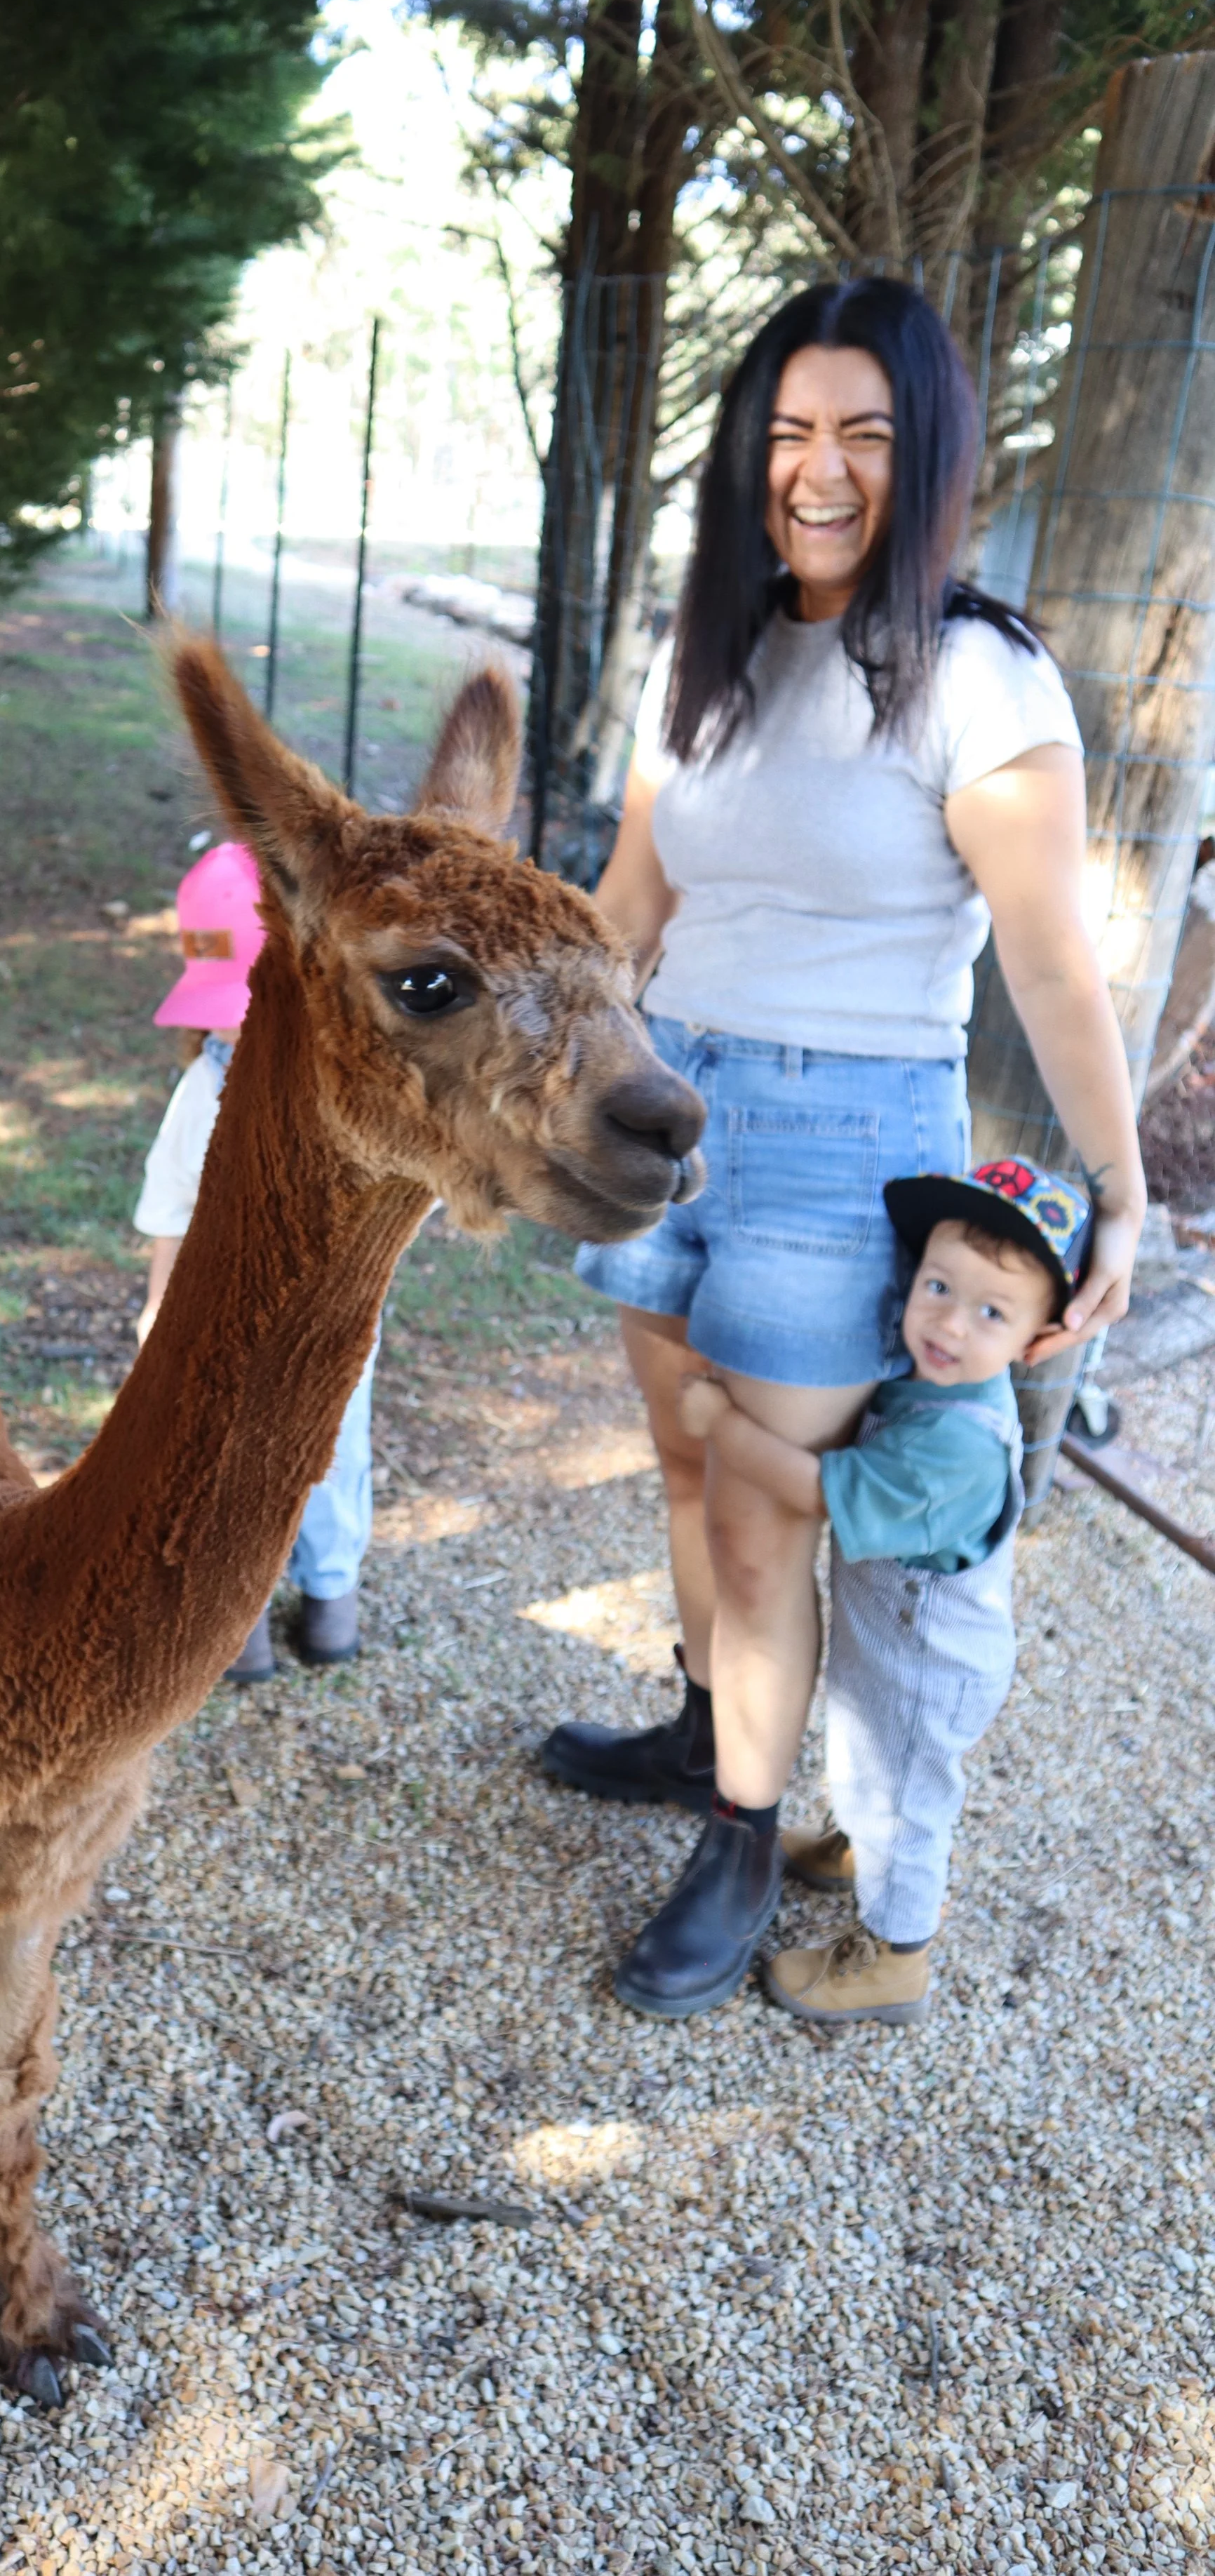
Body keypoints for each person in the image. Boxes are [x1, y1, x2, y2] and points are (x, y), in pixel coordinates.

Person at [538, 275, 1146, 2018]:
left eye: (863, 436)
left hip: (845, 1131)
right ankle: (700, 1728)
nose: (817, 470)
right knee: (679, 1467)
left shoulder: (977, 672)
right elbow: (631, 908)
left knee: (754, 1512)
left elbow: (1048, 957)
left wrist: (1122, 1186)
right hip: (673, 1109)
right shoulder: (714, 655)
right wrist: (524, 1078)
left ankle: (742, 1833)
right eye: (789, 432)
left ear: (927, 457)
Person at [654, 1160, 1088, 2025]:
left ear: (1040, 1337)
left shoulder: (954, 1451)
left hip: (932, 1661)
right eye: (937, 1285)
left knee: (908, 1794)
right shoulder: (942, 1377)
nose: (948, 1323)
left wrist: (722, 1425)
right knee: (869, 1757)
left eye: (991, 1312)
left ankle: (895, 1959)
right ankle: (859, 1844)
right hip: (897, 1637)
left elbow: (816, 1490)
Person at [132, 838, 375, 1682]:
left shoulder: (345, 1079)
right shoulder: (207, 1084)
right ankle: (244, 1621)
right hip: (228, 1312)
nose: (226, 1021)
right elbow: (171, 1202)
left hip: (333, 1310)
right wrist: (159, 1304)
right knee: (235, 1455)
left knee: (333, 1446)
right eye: (218, 1005)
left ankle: (330, 1600)